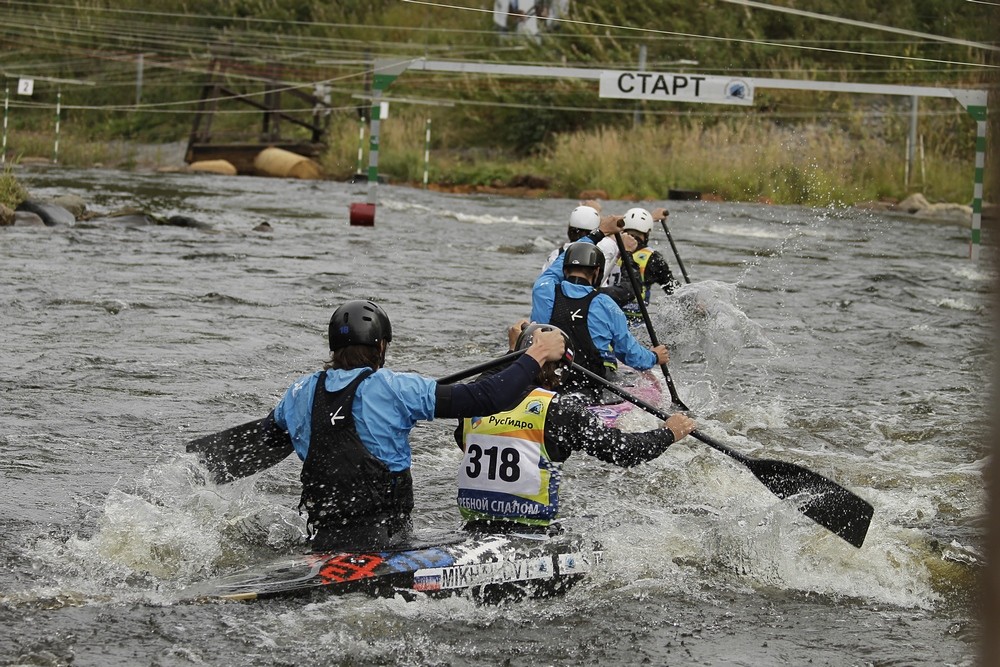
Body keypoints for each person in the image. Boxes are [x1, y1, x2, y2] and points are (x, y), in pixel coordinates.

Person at [269, 299, 567, 552]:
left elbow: (261, 441)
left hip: (322, 539)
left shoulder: (300, 392)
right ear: (381, 346)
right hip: (385, 543)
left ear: (334, 347)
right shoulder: (395, 388)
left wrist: (513, 355)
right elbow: (486, 398)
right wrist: (535, 353)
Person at [454, 323, 697, 533]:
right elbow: (623, 451)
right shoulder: (559, 410)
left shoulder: (473, 402)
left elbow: (486, 383)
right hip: (531, 531)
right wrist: (668, 434)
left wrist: (512, 351)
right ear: (563, 373)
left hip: (474, 526)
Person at [531, 224, 669, 399]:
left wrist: (597, 234)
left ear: (565, 269)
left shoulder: (544, 290)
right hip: (586, 387)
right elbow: (630, 355)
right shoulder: (606, 304)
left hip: (544, 381)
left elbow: (557, 265)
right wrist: (654, 357)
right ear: (597, 271)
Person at [617, 207, 681, 326]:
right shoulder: (653, 258)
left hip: (609, 316)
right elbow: (672, 288)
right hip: (636, 323)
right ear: (647, 233)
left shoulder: (611, 248)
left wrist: (652, 218)